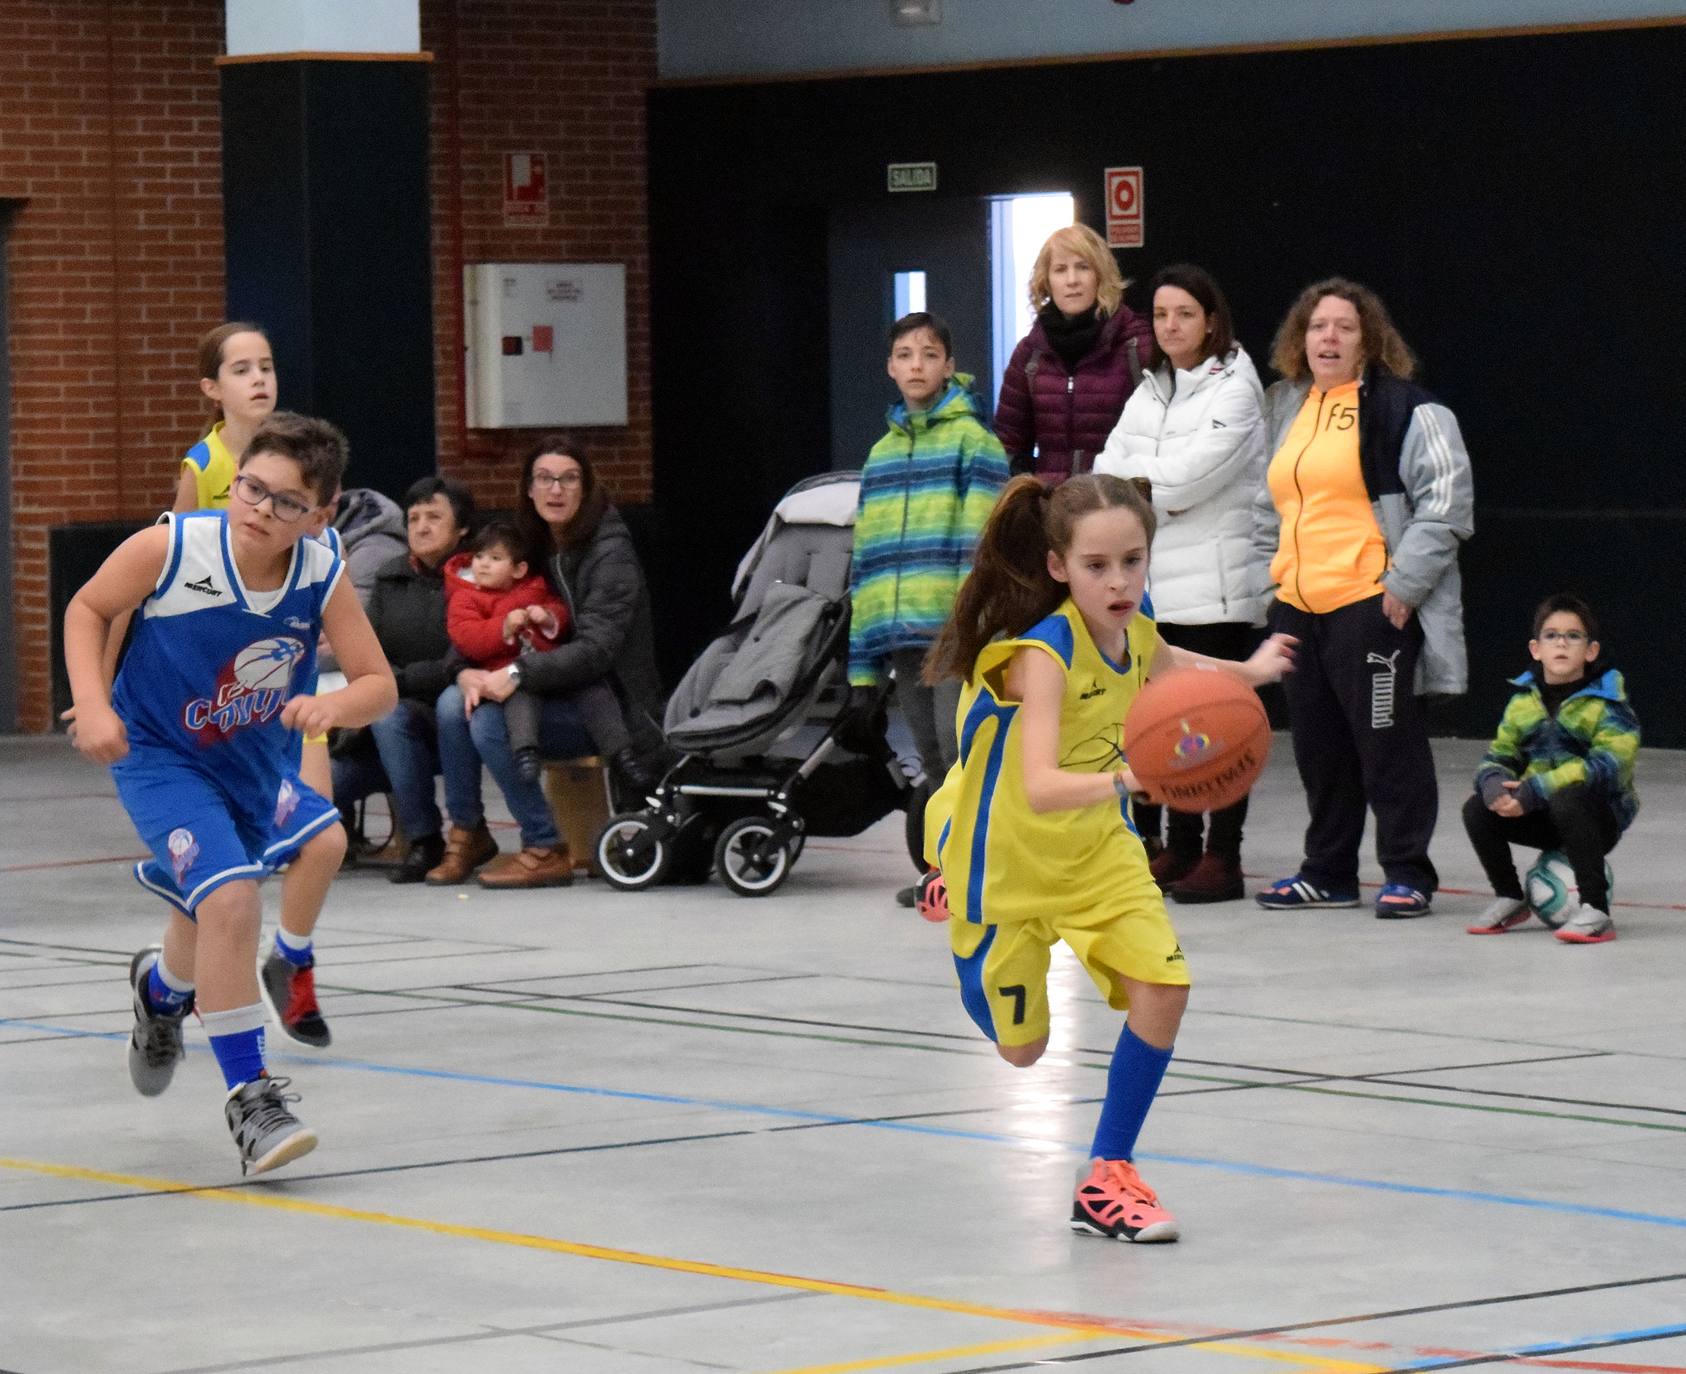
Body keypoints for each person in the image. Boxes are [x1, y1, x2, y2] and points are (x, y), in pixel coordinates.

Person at [920, 473, 1293, 1242]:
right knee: (1024, 1053)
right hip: (1006, 863)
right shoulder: (1042, 654)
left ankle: (1107, 1176)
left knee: (1165, 986)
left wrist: (1248, 675)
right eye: (1097, 566)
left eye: (1134, 560)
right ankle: (953, 900)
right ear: (1059, 566)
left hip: (1098, 855)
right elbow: (1043, 784)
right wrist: (1137, 775)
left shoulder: (1136, 624)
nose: (1120, 581)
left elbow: (1169, 661)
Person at [62, 413, 396, 1176]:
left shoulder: (322, 569)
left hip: (252, 763)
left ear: (320, 512)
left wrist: (333, 707)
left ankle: (161, 990)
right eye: (251, 487)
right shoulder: (176, 546)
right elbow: (88, 608)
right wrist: (95, 700)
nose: (258, 509)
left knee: (211, 902)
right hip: (161, 757)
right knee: (235, 901)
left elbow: (379, 685)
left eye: (284, 502)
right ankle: (250, 1098)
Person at [1251, 278, 1474, 919]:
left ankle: (1407, 872)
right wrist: (1273, 588)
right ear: (1300, 339)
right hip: (1297, 608)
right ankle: (1328, 872)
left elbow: (1447, 508)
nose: (1329, 337)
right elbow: (1270, 505)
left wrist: (1401, 588)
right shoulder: (1284, 407)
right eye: (1318, 326)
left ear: (1369, 339)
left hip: (1367, 606)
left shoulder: (1410, 410)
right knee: (1319, 750)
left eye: (1344, 327)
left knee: (1387, 744)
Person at [1095, 264, 1268, 901]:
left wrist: (1142, 485)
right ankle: (1178, 847)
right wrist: (1150, 484)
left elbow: (1193, 477)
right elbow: (1106, 468)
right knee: (1165, 725)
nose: (1171, 326)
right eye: (1161, 315)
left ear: (1212, 320)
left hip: (1217, 588)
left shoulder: (1237, 387)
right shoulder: (1152, 388)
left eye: (1185, 314)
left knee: (1219, 727)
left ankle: (1223, 860)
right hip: (1156, 586)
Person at [428, 435, 664, 889]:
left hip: (608, 706)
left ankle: (545, 846)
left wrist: (515, 672)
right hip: (546, 689)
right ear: (530, 489)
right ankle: (468, 832)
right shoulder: (535, 545)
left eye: (569, 479)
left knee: (488, 724)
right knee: (451, 703)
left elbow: (597, 651)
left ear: (587, 488)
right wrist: (465, 670)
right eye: (545, 479)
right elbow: (484, 608)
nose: (556, 490)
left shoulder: (610, 554)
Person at [848, 311, 1010, 904]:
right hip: (902, 639)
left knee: (965, 750)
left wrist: (969, 631)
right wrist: (862, 668)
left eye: (929, 354)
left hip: (955, 636)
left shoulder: (976, 443)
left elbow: (983, 553)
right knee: (935, 760)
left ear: (949, 365)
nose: (917, 365)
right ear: (891, 368)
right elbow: (865, 564)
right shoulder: (880, 455)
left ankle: (986, 871)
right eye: (905, 355)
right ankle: (946, 874)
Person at [1463, 594, 1640, 944]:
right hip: (1542, 809)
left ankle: (1596, 908)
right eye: (1551, 635)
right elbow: (1500, 753)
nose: (1562, 642)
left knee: (1568, 798)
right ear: (1535, 649)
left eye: (1573, 636)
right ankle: (1510, 897)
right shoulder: (1521, 703)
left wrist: (1536, 789)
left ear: (1590, 651)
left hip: (1596, 815)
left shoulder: (1608, 704)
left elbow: (1609, 764)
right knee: (1476, 808)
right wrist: (1494, 783)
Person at [331, 476, 477, 883]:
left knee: (392, 714)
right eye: (413, 517)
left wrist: (396, 682)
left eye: (434, 516)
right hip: (394, 721)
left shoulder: (478, 576)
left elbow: (464, 654)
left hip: (458, 711)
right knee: (324, 786)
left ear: (462, 528)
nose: (421, 526)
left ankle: (425, 839)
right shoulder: (390, 576)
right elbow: (368, 652)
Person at [442, 521, 640, 785]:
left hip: (553, 668)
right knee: (521, 700)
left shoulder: (535, 588)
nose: (483, 564)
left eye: (495, 558)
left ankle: (622, 754)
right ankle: (526, 753)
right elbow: (467, 638)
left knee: (594, 692)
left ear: (519, 569)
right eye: (478, 556)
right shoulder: (465, 598)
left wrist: (547, 618)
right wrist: (503, 627)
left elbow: (561, 615)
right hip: (512, 673)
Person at [993, 223, 1152, 485]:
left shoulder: (1135, 344)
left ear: (1100, 275)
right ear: (1046, 281)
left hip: (1119, 506)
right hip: (1054, 510)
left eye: (1083, 267)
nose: (1072, 280)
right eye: (1060, 269)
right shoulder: (1029, 354)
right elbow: (1007, 447)